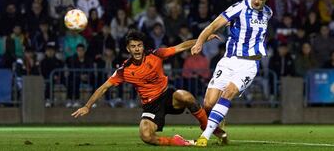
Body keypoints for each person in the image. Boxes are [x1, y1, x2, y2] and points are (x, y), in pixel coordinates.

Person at [71, 30, 225, 146]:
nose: (137, 49)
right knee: (146, 136)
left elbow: (179, 47)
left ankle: (207, 127)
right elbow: (103, 87)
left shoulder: (156, 55)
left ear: (143, 46)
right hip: (151, 106)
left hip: (167, 96)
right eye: (133, 46)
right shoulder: (124, 70)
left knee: (185, 96)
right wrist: (87, 106)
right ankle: (179, 142)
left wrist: (202, 40)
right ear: (128, 49)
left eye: (139, 46)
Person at [191, 0, 273, 146]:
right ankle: (220, 131)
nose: (256, 1)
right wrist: (199, 42)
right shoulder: (239, 8)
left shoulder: (268, 13)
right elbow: (213, 25)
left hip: (249, 64)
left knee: (228, 92)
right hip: (229, 61)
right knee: (208, 104)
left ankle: (204, 137)